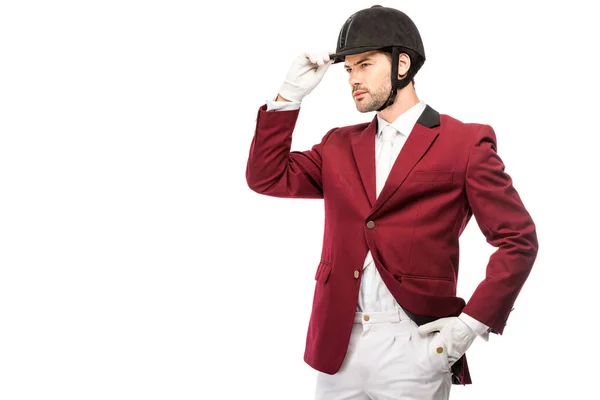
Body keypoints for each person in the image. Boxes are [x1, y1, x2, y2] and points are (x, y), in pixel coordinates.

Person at [245, 5, 538, 400]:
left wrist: (470, 324)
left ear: (402, 64)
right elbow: (267, 176)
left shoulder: (465, 142)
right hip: (338, 348)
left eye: (365, 65)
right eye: (348, 70)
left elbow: (518, 240)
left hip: (415, 345)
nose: (353, 80)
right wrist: (289, 96)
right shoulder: (338, 144)